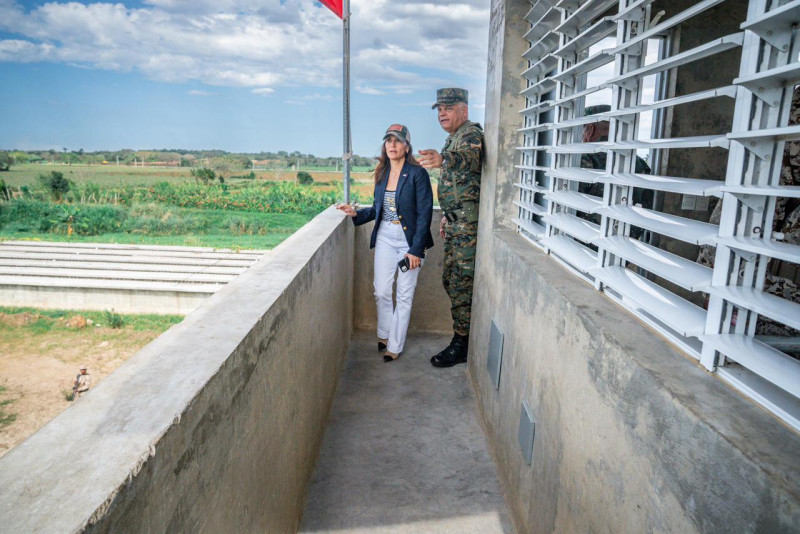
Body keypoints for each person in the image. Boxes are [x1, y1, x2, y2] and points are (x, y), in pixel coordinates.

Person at [338, 124, 434, 362]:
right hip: (385, 238)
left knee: (404, 295)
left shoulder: (417, 174)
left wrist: (416, 251)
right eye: (388, 141)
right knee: (381, 291)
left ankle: (394, 345)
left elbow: (425, 215)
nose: (392, 145)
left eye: (397, 141)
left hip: (410, 243)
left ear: (406, 146)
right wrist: (355, 214)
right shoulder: (382, 173)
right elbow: (379, 210)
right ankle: (384, 332)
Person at [418, 88, 484, 368]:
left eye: (448, 108)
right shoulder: (453, 138)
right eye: (439, 109)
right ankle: (461, 337)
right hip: (457, 223)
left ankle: (461, 344)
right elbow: (461, 184)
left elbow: (469, 158)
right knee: (451, 280)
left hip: (468, 228)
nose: (442, 113)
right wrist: (448, 214)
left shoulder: (471, 134)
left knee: (461, 285)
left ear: (464, 111)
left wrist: (445, 160)